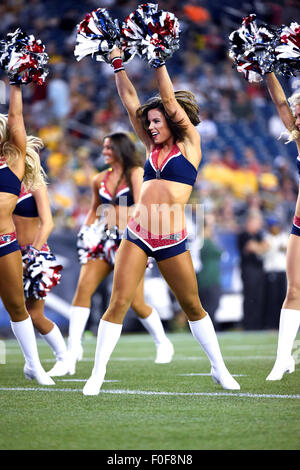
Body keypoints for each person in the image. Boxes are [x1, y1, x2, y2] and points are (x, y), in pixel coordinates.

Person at [83, 48, 240, 395]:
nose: (151, 127)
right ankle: (96, 375)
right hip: (138, 233)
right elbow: (129, 100)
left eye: (157, 121)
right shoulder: (150, 147)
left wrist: (159, 59)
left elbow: (168, 100)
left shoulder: (190, 146)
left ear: (173, 119)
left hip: (171, 238)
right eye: (149, 123)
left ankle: (219, 368)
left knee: (192, 305)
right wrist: (117, 63)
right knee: (119, 302)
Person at [68, 132, 174, 375]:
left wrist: (118, 215)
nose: (104, 152)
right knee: (83, 289)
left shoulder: (136, 173)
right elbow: (95, 209)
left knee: (136, 303)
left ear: (120, 149)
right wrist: (86, 231)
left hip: (131, 240)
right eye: (104, 148)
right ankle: (72, 350)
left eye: (108, 148)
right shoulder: (99, 179)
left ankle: (162, 342)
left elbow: (141, 205)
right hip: (104, 240)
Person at [0, 84, 54, 385]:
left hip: (5, 244)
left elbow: (16, 117)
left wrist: (16, 84)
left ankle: (33, 365)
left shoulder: (15, 162)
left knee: (17, 306)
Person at [263, 72, 300, 381]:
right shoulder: (299, 137)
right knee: (294, 290)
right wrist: (267, 69)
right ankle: (283, 358)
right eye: (296, 114)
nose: (296, 118)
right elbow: (279, 102)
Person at [12, 183, 69, 377]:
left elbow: (48, 223)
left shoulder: (34, 185)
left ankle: (63, 358)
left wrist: (30, 255)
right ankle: (32, 364)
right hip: (8, 255)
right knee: (17, 312)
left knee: (35, 315)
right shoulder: (5, 182)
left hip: (33, 256)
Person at [237, 211, 270, 331]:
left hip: (259, 269)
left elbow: (267, 246)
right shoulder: (244, 234)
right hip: (249, 269)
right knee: (250, 297)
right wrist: (260, 247)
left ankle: (258, 324)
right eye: (257, 223)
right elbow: (255, 247)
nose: (259, 225)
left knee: (259, 297)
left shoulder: (258, 235)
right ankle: (249, 325)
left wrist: (260, 247)